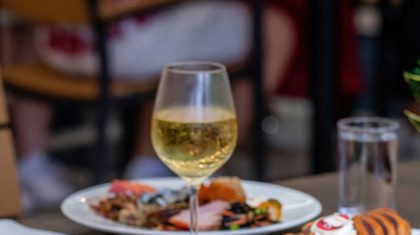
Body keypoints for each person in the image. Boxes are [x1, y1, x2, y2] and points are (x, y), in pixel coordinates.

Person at [4, 0, 298, 210]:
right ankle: (152, 169)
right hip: (124, 39)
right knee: (274, 28)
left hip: (59, 40)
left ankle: (32, 164)